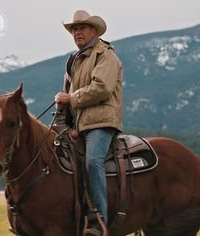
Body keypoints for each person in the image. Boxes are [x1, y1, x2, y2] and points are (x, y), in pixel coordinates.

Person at [55, 10, 123, 236]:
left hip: (101, 124)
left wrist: (71, 98)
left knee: (93, 161)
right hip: (78, 128)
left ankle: (98, 221)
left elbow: (101, 88)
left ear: (93, 30)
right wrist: (63, 123)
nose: (77, 33)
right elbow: (67, 97)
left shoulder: (106, 55)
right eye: (74, 29)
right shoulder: (72, 61)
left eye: (82, 28)